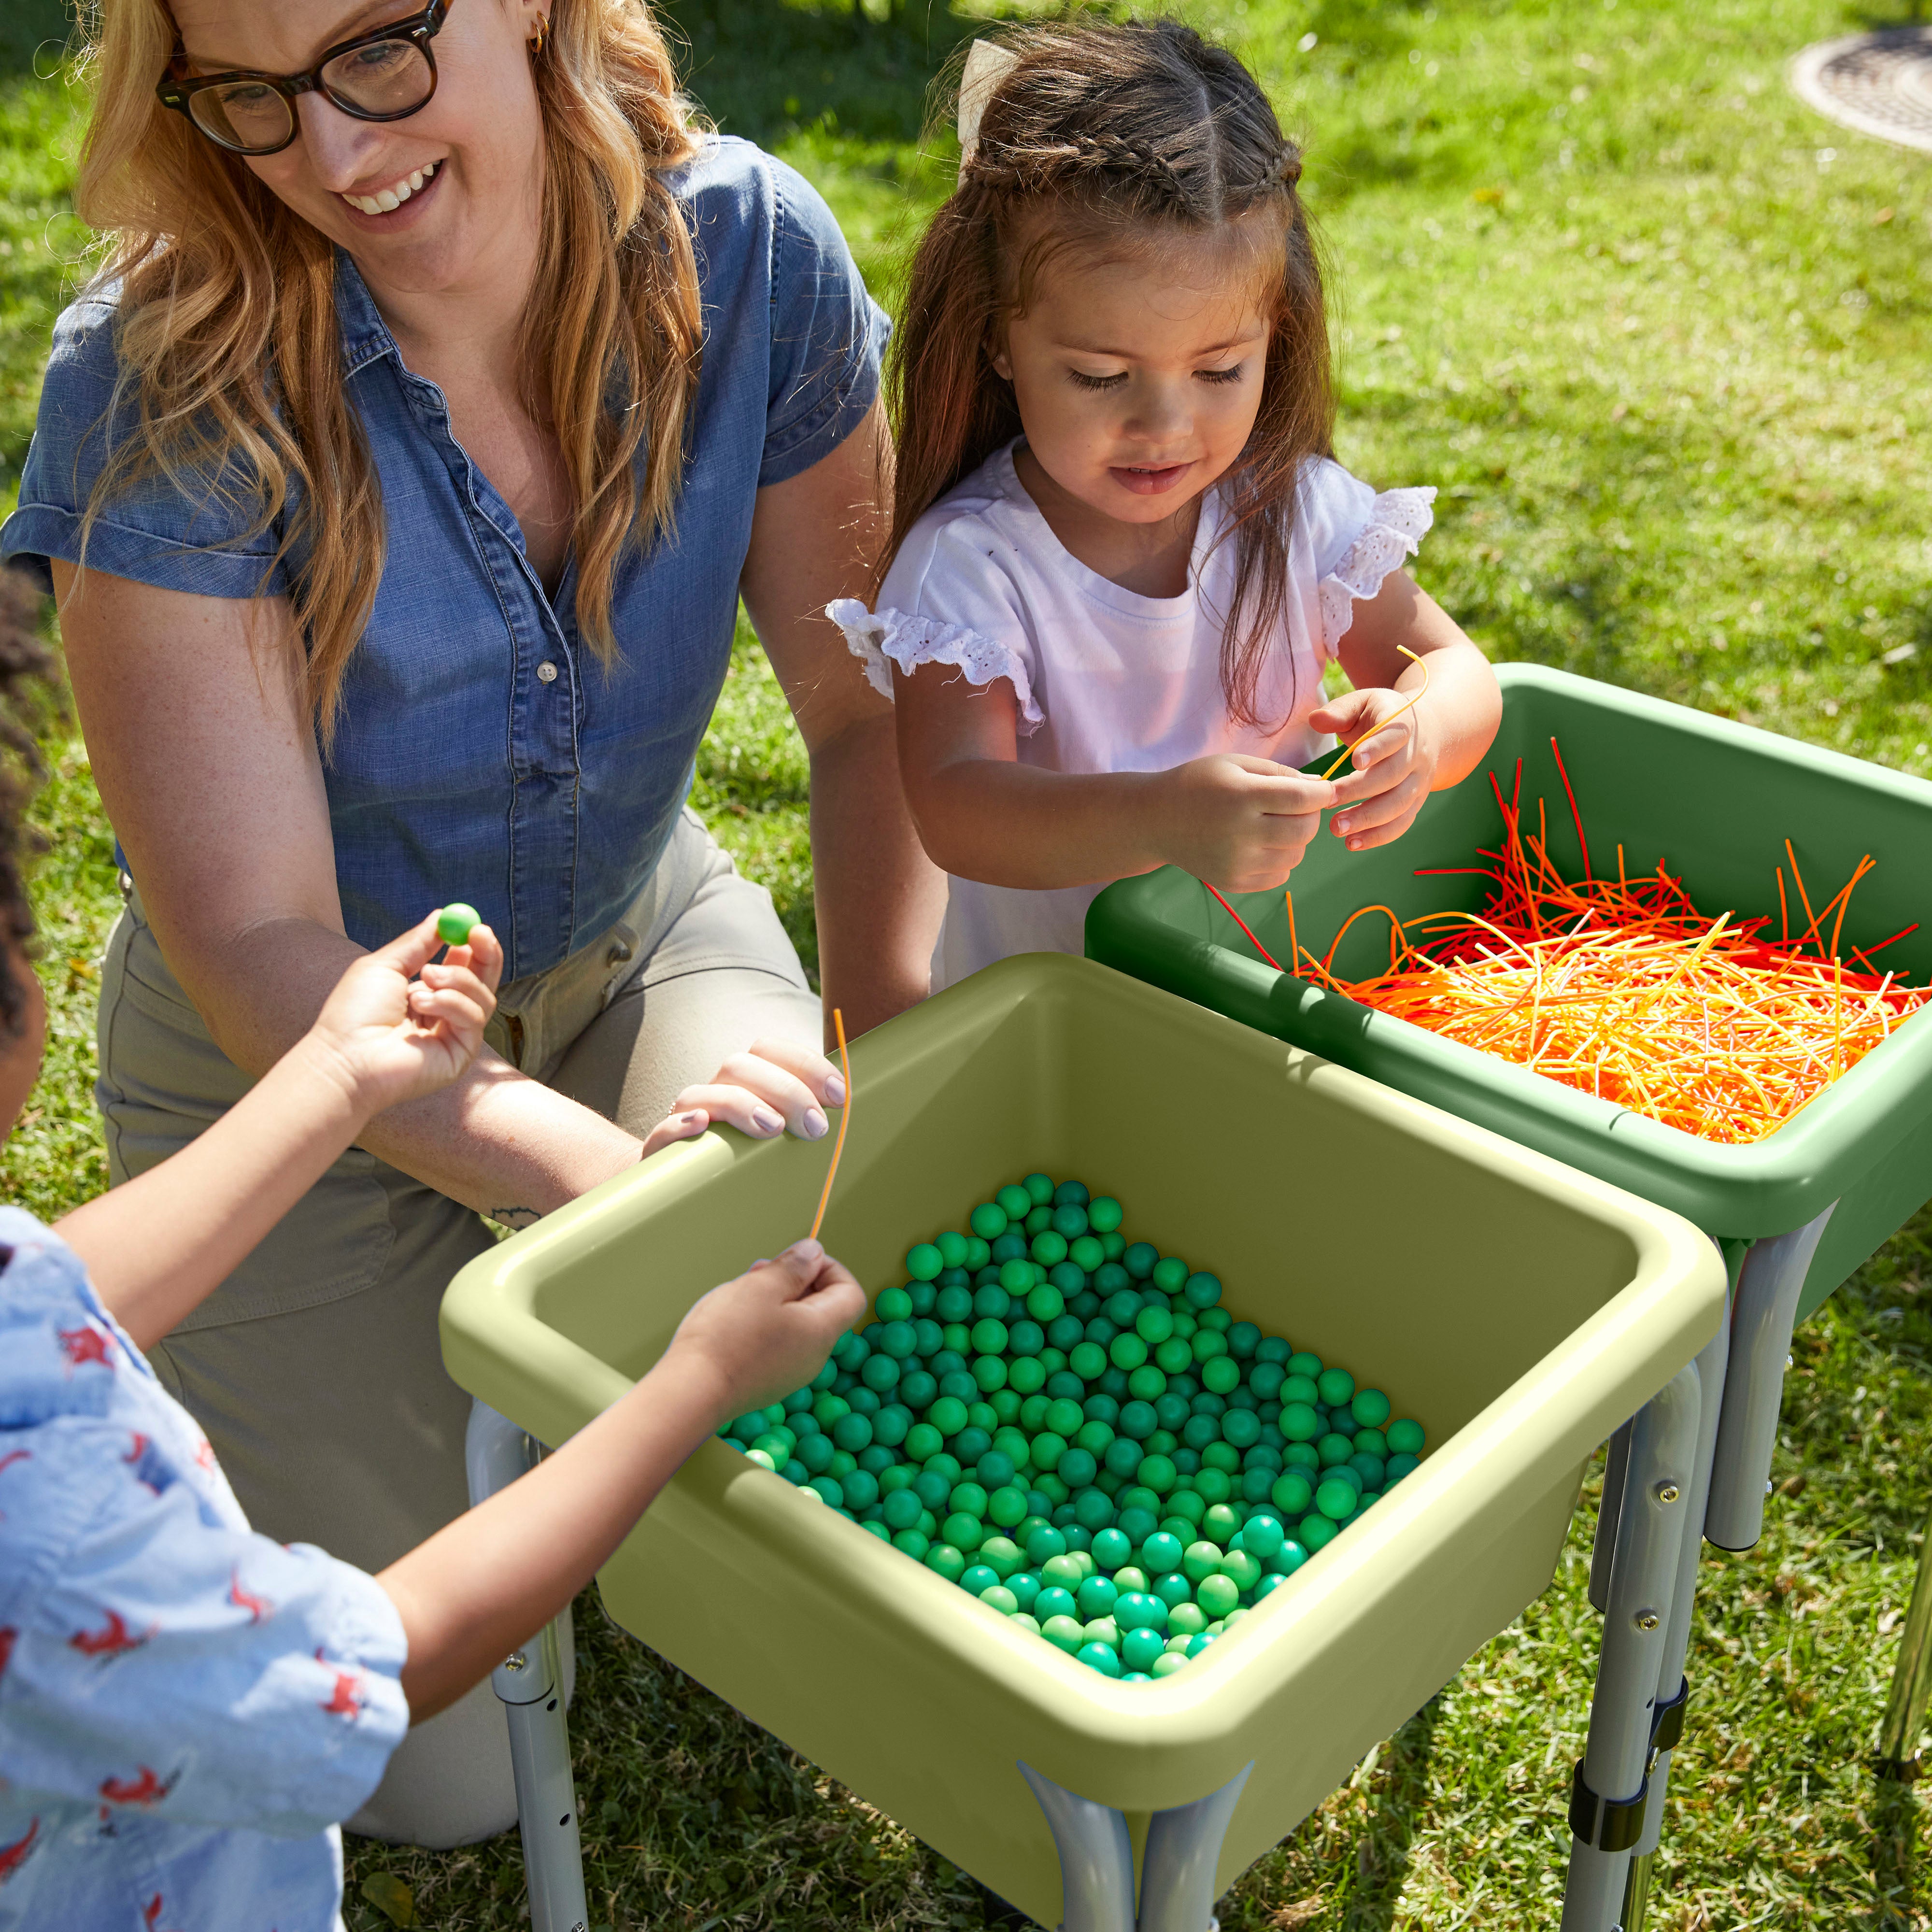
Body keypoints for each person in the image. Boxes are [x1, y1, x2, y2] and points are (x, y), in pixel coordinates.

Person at [0, 0, 941, 1843]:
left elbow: (864, 714)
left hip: (628, 946)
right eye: (251, 100)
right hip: (293, 1073)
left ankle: (567, 1393)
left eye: (377, 53)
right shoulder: (157, 376)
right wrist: (611, 1182)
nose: (337, 156)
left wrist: (892, 1048)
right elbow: (269, 947)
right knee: (438, 1787)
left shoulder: (752, 255)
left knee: (809, 1355)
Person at [0, 567, 868, 1930]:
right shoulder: (57, 1546)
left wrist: (337, 1075)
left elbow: (50, 1290)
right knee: (447, 1782)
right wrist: (689, 1383)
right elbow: (379, 1662)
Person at [830, 21, 1501, 992]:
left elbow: (1453, 666)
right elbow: (955, 805)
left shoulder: (1294, 511)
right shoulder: (974, 565)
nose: (1164, 423)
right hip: (1070, 1031)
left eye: (1219, 368)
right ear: (998, 341)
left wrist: (1419, 732)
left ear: (1276, 333)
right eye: (1100, 376)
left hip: (1287, 992)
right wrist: (1157, 816)